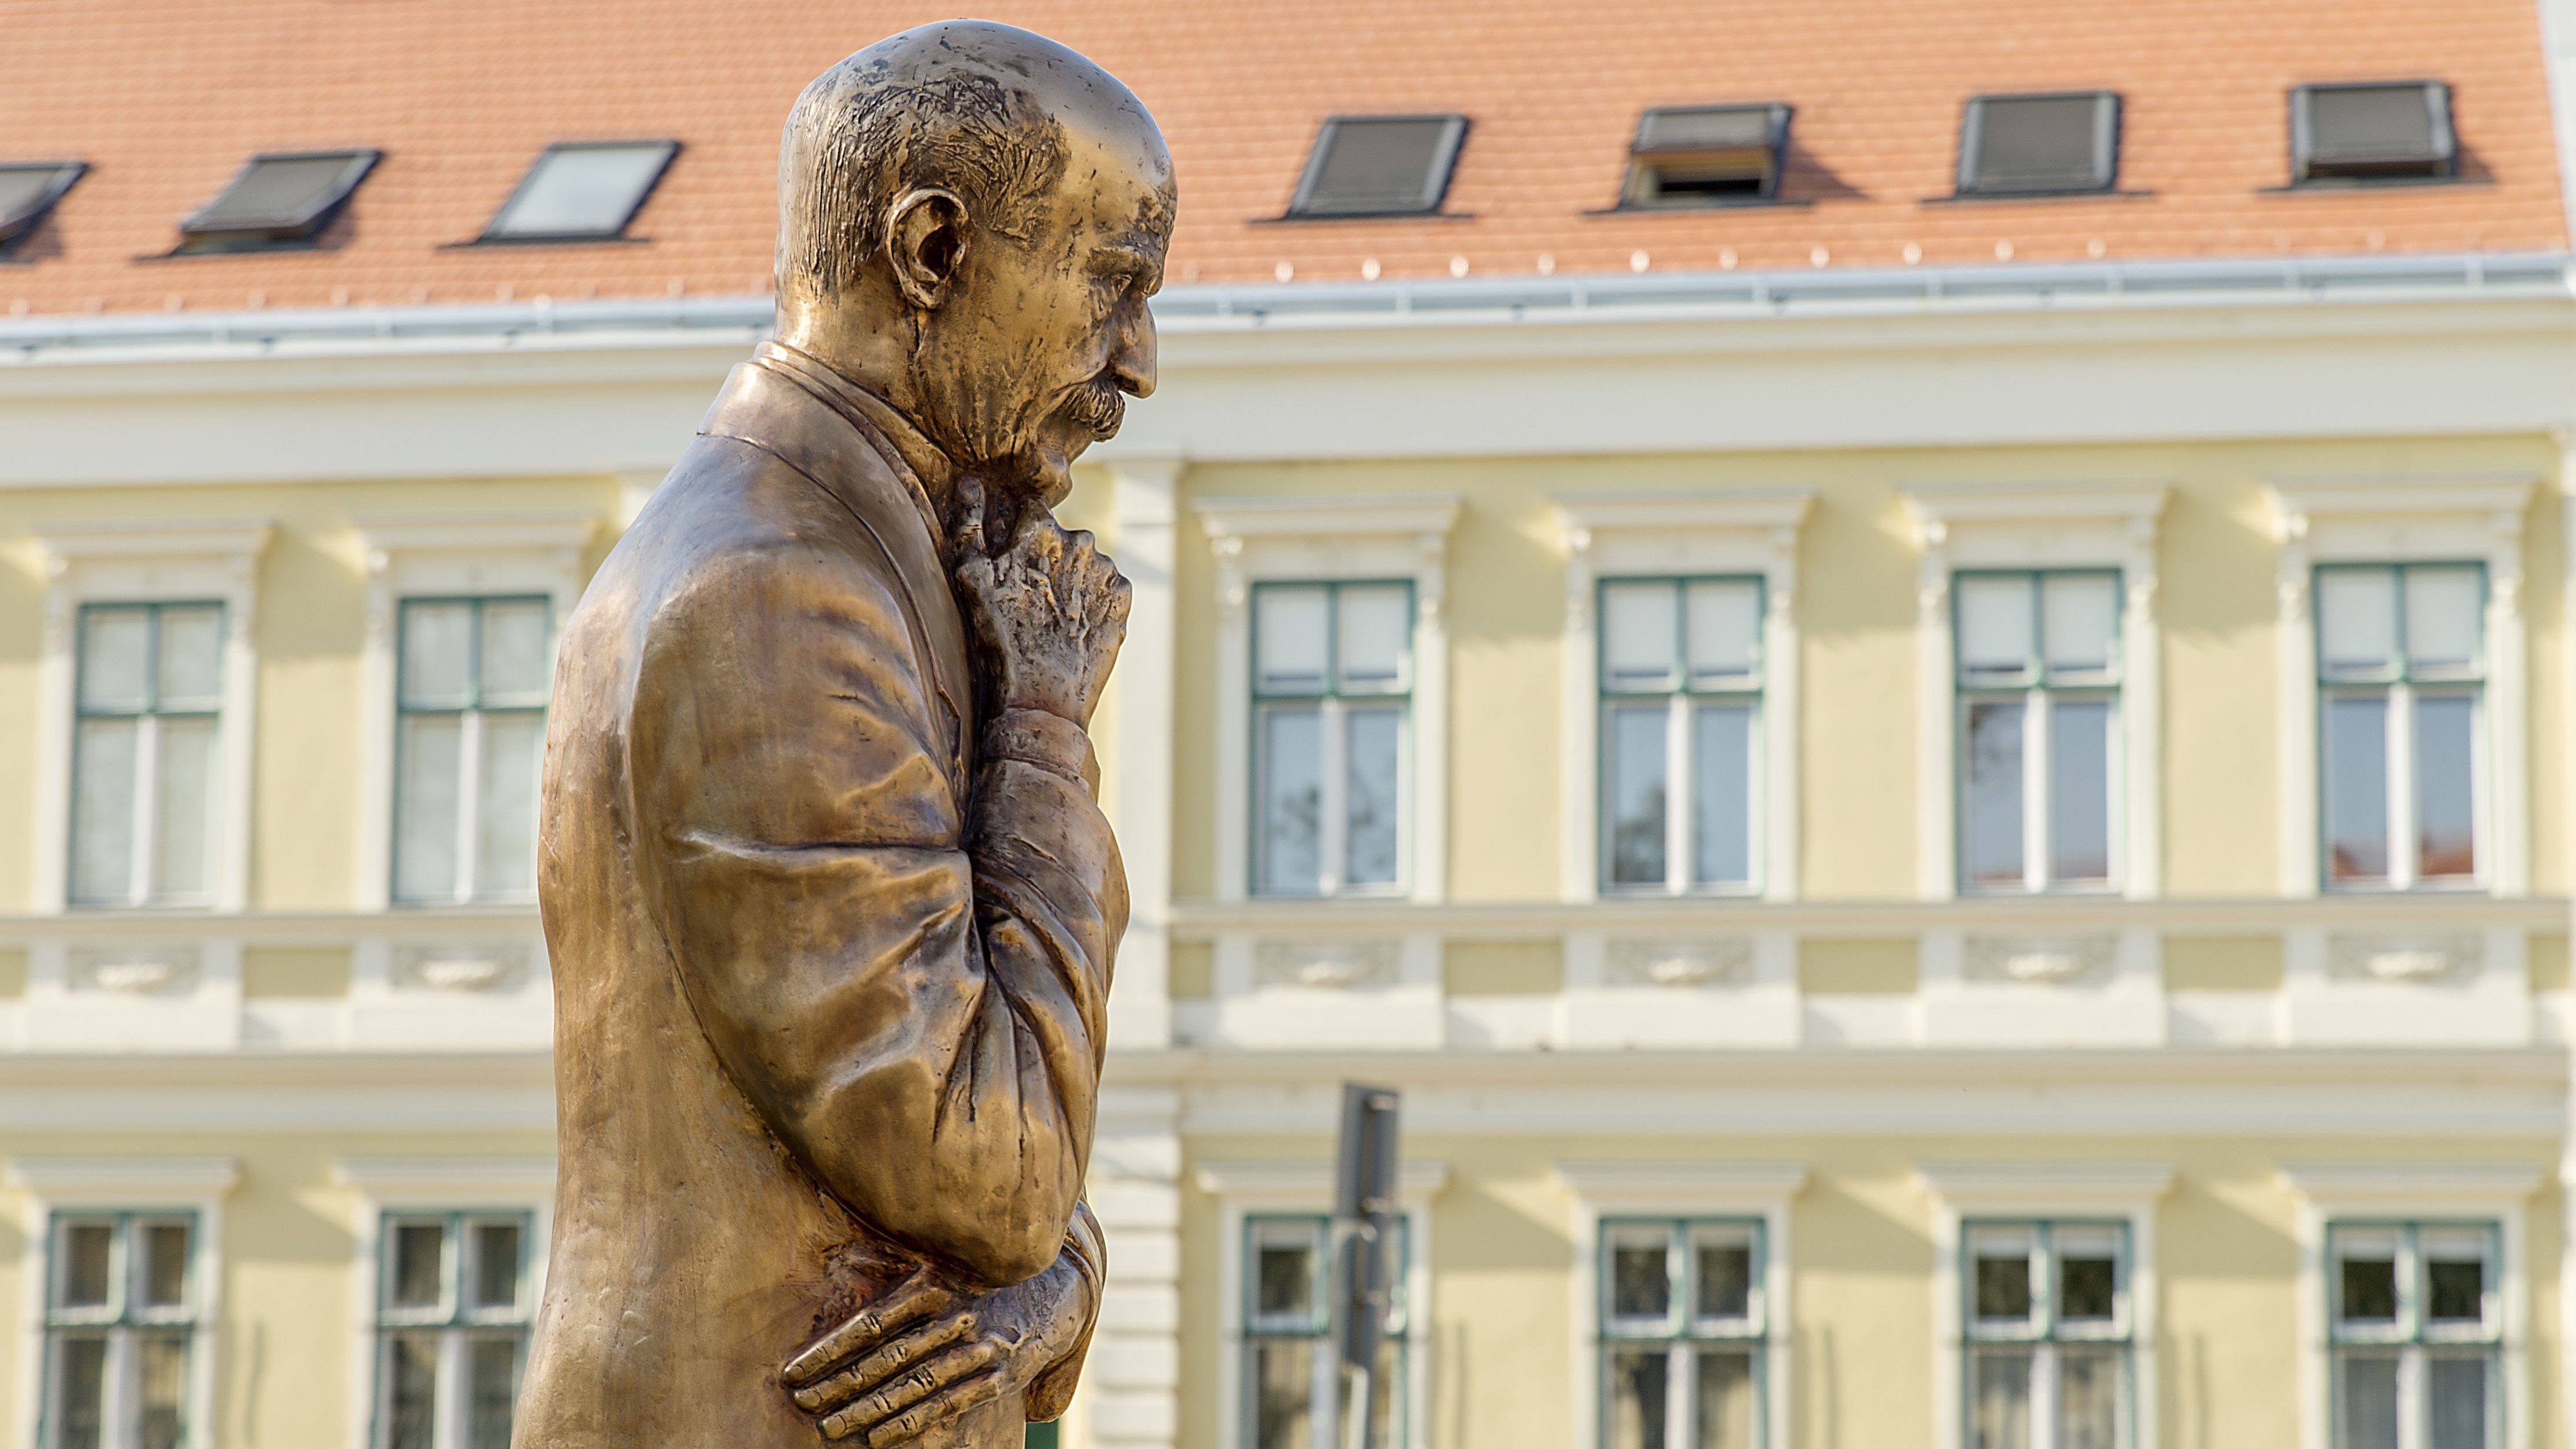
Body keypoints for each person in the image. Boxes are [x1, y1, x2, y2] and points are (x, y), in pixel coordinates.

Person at [516, 21, 1171, 1448]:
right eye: (1111, 286)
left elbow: (999, 1204)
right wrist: (1047, 738)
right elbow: (995, 1169)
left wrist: (1054, 1287)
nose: (1139, 363)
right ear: (930, 251)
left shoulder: (870, 559)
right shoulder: (775, 590)